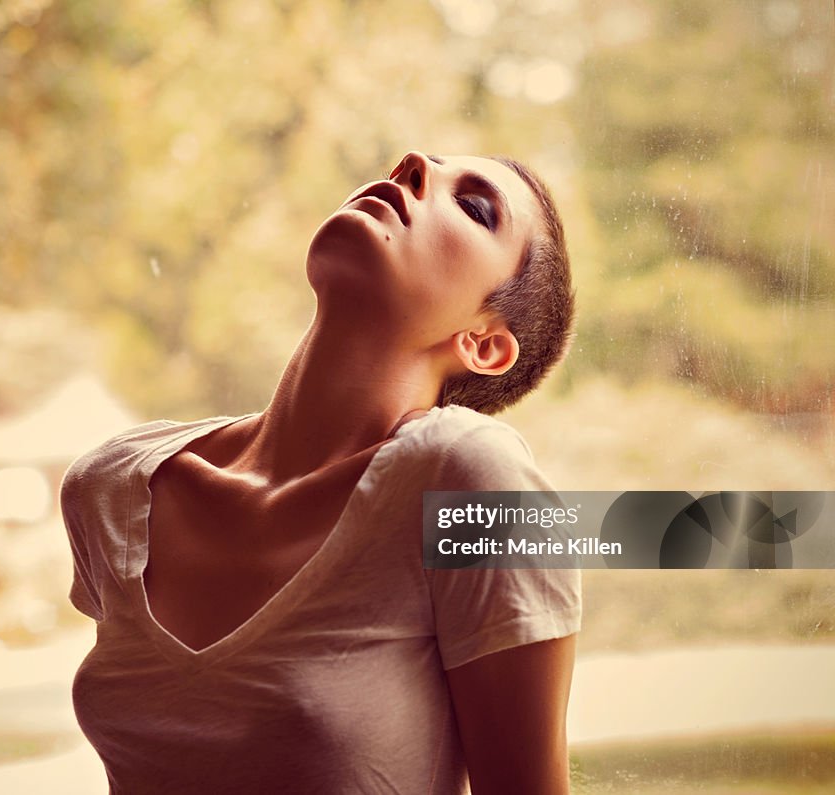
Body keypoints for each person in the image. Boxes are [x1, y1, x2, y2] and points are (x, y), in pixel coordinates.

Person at [62, 151, 581, 794]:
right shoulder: (111, 485)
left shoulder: (469, 483)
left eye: (475, 207)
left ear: (483, 342)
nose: (412, 166)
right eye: (408, 168)